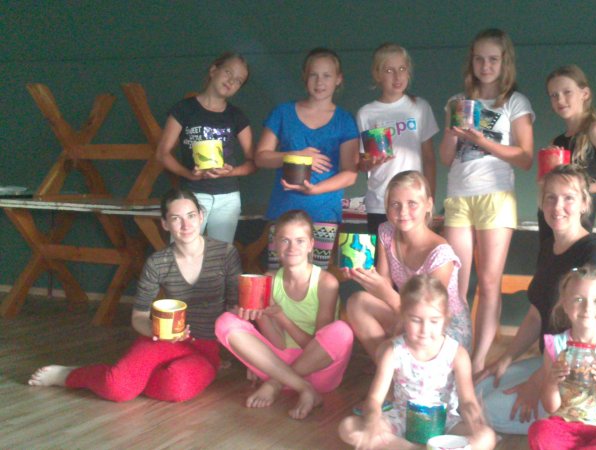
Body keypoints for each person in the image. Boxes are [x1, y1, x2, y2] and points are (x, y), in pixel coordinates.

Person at [28, 188, 240, 402]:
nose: (186, 225)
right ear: (165, 224)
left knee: (174, 388)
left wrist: (239, 352)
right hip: (163, 341)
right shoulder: (157, 263)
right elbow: (139, 316)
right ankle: (70, 375)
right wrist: (155, 331)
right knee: (117, 388)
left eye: (191, 216)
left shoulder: (225, 254)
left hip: (205, 349)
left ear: (201, 216)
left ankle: (127, 376)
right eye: (176, 218)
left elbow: (234, 309)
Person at [475, 165, 596, 434]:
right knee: (473, 390)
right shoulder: (549, 247)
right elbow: (536, 314)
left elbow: (588, 336)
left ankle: (585, 420)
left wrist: (537, 383)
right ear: (542, 203)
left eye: (568, 198)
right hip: (551, 365)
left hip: (580, 379)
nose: (557, 206)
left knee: (480, 410)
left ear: (584, 204)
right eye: (550, 197)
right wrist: (505, 359)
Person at [439, 28, 535, 373]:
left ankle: (478, 360)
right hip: (458, 196)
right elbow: (446, 158)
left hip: (496, 197)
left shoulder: (515, 102)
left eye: (493, 59)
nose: (486, 65)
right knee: (455, 284)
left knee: (490, 282)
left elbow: (526, 158)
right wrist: (452, 133)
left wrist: (482, 140)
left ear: (505, 61)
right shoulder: (457, 101)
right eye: (479, 58)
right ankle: (457, 355)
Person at [215, 209, 353, 420]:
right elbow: (278, 343)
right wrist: (260, 315)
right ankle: (302, 388)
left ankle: (276, 385)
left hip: (318, 371)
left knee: (342, 331)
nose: (292, 247)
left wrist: (281, 317)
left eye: (300, 241)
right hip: (276, 363)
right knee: (225, 322)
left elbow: (316, 345)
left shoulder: (326, 282)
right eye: (285, 240)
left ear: (311, 245)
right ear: (275, 244)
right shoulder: (268, 280)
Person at [339, 275, 495, 450]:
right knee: (348, 427)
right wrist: (372, 419)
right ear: (403, 316)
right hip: (402, 419)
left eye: (434, 321)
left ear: (446, 318)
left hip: (444, 423)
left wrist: (473, 415)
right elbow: (375, 398)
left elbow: (467, 401)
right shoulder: (393, 351)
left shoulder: (457, 354)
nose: (424, 330)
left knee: (486, 437)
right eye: (416, 320)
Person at [345, 171, 471, 361]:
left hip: (441, 327)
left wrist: (384, 291)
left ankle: (403, 369)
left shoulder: (441, 255)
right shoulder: (386, 231)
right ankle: (389, 369)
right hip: (409, 314)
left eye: (412, 203)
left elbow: (427, 313)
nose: (403, 212)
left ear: (428, 205)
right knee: (357, 302)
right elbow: (383, 284)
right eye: (395, 204)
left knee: (408, 328)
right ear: (387, 208)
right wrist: (365, 277)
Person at [255, 47, 359, 269]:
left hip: (324, 212)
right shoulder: (283, 113)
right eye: (314, 75)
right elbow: (261, 158)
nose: (320, 82)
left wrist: (315, 190)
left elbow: (350, 174)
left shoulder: (345, 120)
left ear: (338, 79)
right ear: (304, 77)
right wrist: (293, 155)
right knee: (279, 278)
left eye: (327, 75)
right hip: (284, 211)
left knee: (316, 281)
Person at [528, 265, 596, 449]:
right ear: (565, 304)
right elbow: (550, 407)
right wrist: (552, 382)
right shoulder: (555, 345)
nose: (587, 308)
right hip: (563, 424)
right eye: (579, 299)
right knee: (539, 431)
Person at [155, 52, 255, 243]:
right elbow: (162, 153)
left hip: (227, 197)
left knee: (219, 254)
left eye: (238, 81)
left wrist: (231, 172)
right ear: (213, 70)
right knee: (183, 250)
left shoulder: (236, 115)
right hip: (192, 194)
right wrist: (188, 174)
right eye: (228, 72)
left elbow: (253, 162)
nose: (231, 81)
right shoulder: (184, 109)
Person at [537, 64, 596, 243]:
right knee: (549, 258)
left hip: (577, 219)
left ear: (584, 94)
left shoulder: (595, 130)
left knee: (574, 259)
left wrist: (579, 190)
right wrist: (550, 170)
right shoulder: (556, 141)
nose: (560, 99)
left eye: (567, 92)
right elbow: (543, 184)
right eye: (554, 95)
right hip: (551, 216)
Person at [356, 43, 439, 235]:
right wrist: (371, 162)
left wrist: (429, 200)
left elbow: (429, 159)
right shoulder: (366, 113)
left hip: (414, 203)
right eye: (389, 70)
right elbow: (362, 163)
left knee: (413, 253)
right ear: (377, 75)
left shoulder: (419, 107)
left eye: (402, 69)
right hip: (380, 202)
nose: (397, 76)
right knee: (383, 254)